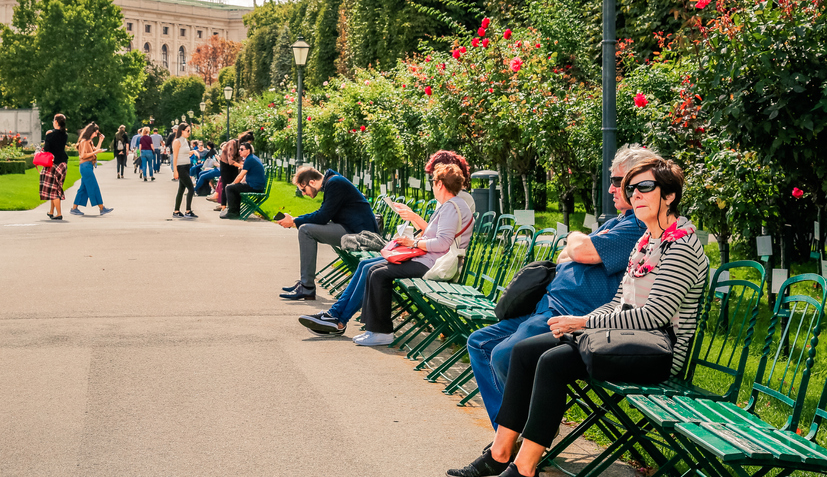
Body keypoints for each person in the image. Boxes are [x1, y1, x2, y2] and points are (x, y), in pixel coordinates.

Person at [460, 157, 708, 477]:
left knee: (551, 362)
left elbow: (654, 315)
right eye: (631, 188)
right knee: (525, 349)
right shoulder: (646, 242)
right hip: (622, 339)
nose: (634, 194)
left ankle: (524, 473)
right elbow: (619, 302)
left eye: (645, 187)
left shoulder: (680, 246)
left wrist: (584, 322)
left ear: (669, 196)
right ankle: (501, 453)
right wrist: (581, 324)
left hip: (656, 353)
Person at [453, 144, 655, 457]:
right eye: (614, 181)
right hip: (547, 307)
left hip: (570, 315)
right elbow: (567, 254)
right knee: (480, 342)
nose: (612, 189)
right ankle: (509, 437)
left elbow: (581, 250)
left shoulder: (636, 226)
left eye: (619, 182)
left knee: (505, 354)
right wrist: (576, 245)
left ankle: (517, 443)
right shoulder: (618, 221)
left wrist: (576, 240)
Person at [348, 163, 474, 346]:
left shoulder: (451, 207)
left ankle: (381, 332)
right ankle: (373, 328)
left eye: (433, 181)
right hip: (430, 259)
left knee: (379, 273)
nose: (432, 185)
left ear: (440, 184)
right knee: (374, 269)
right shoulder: (453, 205)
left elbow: (442, 243)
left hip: (434, 264)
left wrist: (413, 243)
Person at [277, 165, 382, 302]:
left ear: (312, 182)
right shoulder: (333, 182)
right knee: (307, 227)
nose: (303, 193)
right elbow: (323, 214)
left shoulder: (335, 184)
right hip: (351, 228)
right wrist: (296, 220)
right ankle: (305, 284)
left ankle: (306, 286)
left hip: (360, 235)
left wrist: (294, 221)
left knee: (306, 230)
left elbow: (322, 216)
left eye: (303, 189)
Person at [70, 122, 113, 217]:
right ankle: (102, 208)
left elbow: (95, 150)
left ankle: (74, 208)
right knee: (94, 186)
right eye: (96, 133)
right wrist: (96, 152)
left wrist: (100, 141)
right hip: (85, 166)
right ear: (91, 132)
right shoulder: (84, 142)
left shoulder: (89, 141)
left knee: (83, 188)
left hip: (88, 166)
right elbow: (83, 155)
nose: (96, 135)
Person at [219, 141, 265, 219]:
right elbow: (244, 176)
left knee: (229, 188)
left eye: (242, 149)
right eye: (239, 149)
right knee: (235, 188)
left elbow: (240, 176)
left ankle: (233, 212)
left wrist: (232, 184)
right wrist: (236, 184)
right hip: (257, 186)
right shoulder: (252, 158)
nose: (239, 151)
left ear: (248, 150)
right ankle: (235, 211)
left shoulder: (249, 160)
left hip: (255, 187)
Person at [39, 113, 69, 220]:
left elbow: (47, 149)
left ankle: (59, 213)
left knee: (54, 189)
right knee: (56, 187)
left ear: (56, 122)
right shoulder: (65, 135)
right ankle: (51, 211)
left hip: (53, 164)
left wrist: (47, 136)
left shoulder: (50, 135)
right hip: (63, 164)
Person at [171, 123, 197, 219]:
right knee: (191, 188)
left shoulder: (185, 141)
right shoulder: (177, 141)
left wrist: (193, 152)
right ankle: (188, 210)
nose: (189, 133)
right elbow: (175, 156)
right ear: (182, 131)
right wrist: (175, 170)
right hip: (180, 167)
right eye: (188, 131)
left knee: (181, 189)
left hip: (186, 166)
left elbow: (186, 153)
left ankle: (176, 211)